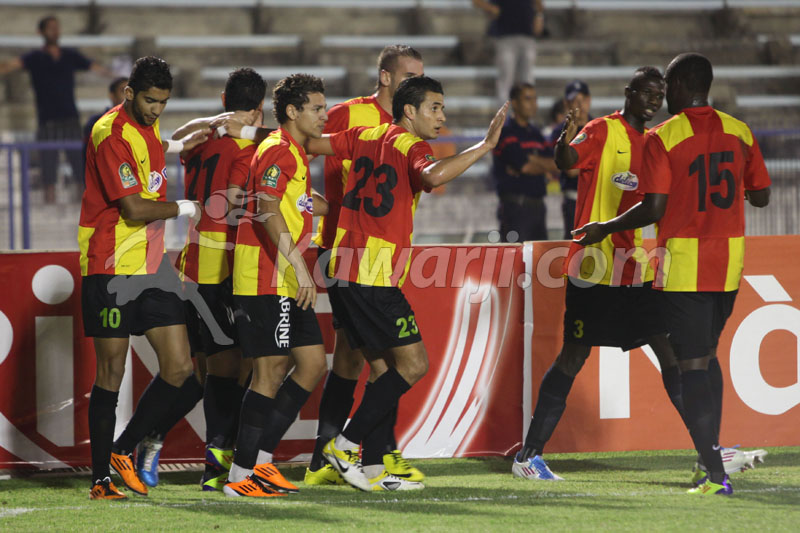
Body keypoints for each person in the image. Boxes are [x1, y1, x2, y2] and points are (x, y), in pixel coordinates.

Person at [572, 53, 771, 496]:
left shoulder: (665, 136)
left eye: (668, 87)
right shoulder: (740, 131)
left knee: (691, 366)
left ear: (681, 85)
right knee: (708, 356)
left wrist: (604, 227)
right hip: (730, 265)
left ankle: (714, 474)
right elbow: (760, 196)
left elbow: (655, 206)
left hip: (683, 267)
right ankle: (710, 460)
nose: (664, 97)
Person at [305, 76, 508, 491]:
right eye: (435, 108)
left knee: (382, 369)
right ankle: (343, 446)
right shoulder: (411, 146)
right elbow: (432, 178)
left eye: (443, 108)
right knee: (414, 365)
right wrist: (484, 147)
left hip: (340, 264)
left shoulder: (363, 134)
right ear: (409, 111)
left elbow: (310, 144)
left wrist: (251, 132)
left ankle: (378, 469)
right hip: (372, 272)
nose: (442, 117)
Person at [512, 67, 690, 481]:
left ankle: (709, 448)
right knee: (573, 357)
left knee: (670, 353)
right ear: (629, 93)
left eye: (658, 94)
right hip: (592, 264)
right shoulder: (601, 130)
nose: (652, 100)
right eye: (646, 92)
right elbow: (568, 161)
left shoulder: (655, 142)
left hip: (632, 269)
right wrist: (562, 141)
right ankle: (528, 455)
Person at [79, 56, 210, 500]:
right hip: (111, 265)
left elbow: (157, 145)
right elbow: (132, 208)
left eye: (164, 103)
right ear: (128, 93)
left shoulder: (145, 124)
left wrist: (194, 132)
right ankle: (100, 480)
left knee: (179, 368)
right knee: (111, 371)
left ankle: (123, 448)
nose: (157, 110)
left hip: (152, 265)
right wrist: (185, 207)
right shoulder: (109, 133)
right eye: (150, 101)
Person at [132, 68, 268, 492]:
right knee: (228, 370)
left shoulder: (206, 139)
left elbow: (183, 139)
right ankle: (214, 461)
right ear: (260, 108)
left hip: (191, 260)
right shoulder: (246, 148)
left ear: (224, 98)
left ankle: (157, 439)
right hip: (220, 265)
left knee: (214, 373)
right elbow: (229, 204)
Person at [306, 44, 427, 488]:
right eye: (409, 75)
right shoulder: (349, 116)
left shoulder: (408, 128)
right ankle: (355, 457)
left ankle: (359, 459)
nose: (415, 81)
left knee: (360, 359)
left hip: (379, 255)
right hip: (345, 250)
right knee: (364, 361)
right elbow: (302, 143)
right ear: (385, 78)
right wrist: (304, 203)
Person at [223, 74, 330, 498]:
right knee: (268, 372)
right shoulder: (277, 151)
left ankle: (262, 463)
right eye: (317, 108)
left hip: (285, 276)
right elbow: (267, 208)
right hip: (266, 277)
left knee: (311, 364)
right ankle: (239, 476)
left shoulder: (293, 154)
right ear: (293, 112)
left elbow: (296, 203)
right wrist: (300, 268)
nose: (324, 116)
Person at [0, 15, 112, 202]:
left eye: (57, 27)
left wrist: (122, 76)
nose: (55, 31)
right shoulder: (34, 58)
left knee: (80, 169)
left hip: (71, 119)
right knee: (48, 171)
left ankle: (82, 209)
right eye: (50, 27)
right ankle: (49, 210)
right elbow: (10, 66)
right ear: (41, 32)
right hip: (47, 121)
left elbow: (97, 68)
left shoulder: (70, 55)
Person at [492, 82, 557, 242]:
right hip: (515, 208)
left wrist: (531, 158)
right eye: (528, 99)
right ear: (514, 103)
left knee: (539, 261)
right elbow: (525, 166)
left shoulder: (536, 134)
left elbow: (556, 163)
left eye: (535, 99)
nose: (533, 104)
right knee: (516, 262)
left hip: (538, 207)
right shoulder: (506, 131)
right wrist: (539, 165)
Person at [473, 0, 544, 105]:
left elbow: (539, 4)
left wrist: (539, 16)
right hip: (505, 36)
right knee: (506, 79)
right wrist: (491, 8)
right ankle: (504, 117)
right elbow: (476, 2)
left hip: (527, 35)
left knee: (527, 80)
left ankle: (526, 114)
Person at [550, 80, 591, 238]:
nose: (579, 104)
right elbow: (571, 170)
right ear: (567, 103)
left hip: (598, 198)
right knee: (574, 247)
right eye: (575, 100)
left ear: (589, 100)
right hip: (573, 199)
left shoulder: (600, 126)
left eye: (582, 99)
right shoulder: (561, 132)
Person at [83, 77, 128, 163]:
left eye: (131, 92)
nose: (128, 95)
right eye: (123, 91)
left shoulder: (142, 124)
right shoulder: (95, 122)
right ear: (112, 96)